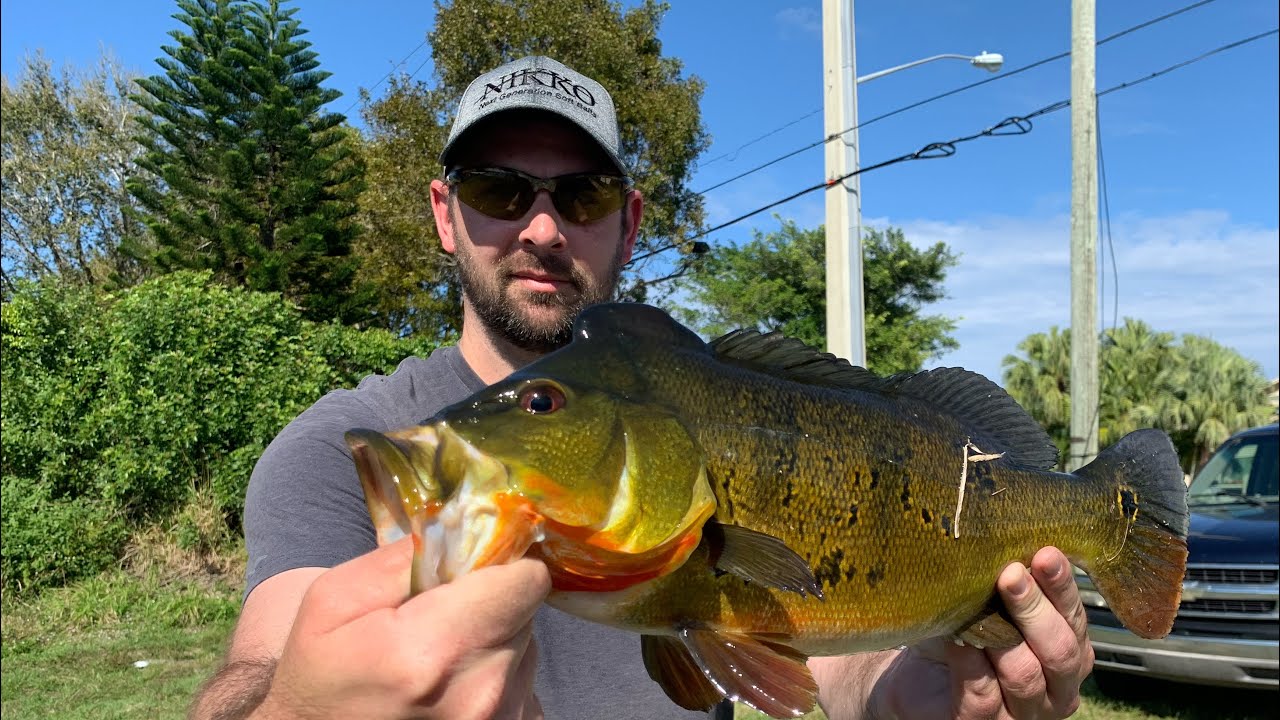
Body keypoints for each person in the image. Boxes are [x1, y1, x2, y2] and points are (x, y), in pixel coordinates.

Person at [190, 55, 1094, 720]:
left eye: (580, 197)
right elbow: (256, 670)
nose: (542, 226)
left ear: (627, 222)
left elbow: (814, 644)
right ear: (443, 212)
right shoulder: (341, 450)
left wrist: (912, 693)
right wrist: (296, 712)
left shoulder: (692, 406)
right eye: (500, 191)